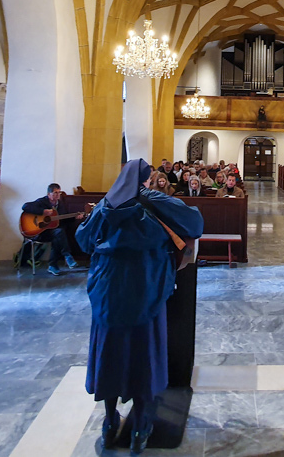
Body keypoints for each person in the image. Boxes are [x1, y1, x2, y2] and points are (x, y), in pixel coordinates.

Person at [75, 160, 203, 454]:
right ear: (145, 180)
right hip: (144, 287)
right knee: (144, 354)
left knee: (110, 353)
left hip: (108, 290)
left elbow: (83, 239)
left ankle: (109, 423)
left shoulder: (105, 204)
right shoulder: (152, 199)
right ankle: (140, 428)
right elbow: (195, 222)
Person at [21, 183, 85, 275]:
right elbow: (25, 206)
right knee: (59, 234)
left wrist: (75, 217)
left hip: (52, 234)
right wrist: (43, 211)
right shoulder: (42, 202)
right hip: (39, 233)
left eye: (59, 192)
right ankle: (65, 257)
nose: (58, 195)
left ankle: (55, 264)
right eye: (55, 193)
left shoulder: (61, 204)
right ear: (49, 194)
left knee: (58, 235)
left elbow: (63, 219)